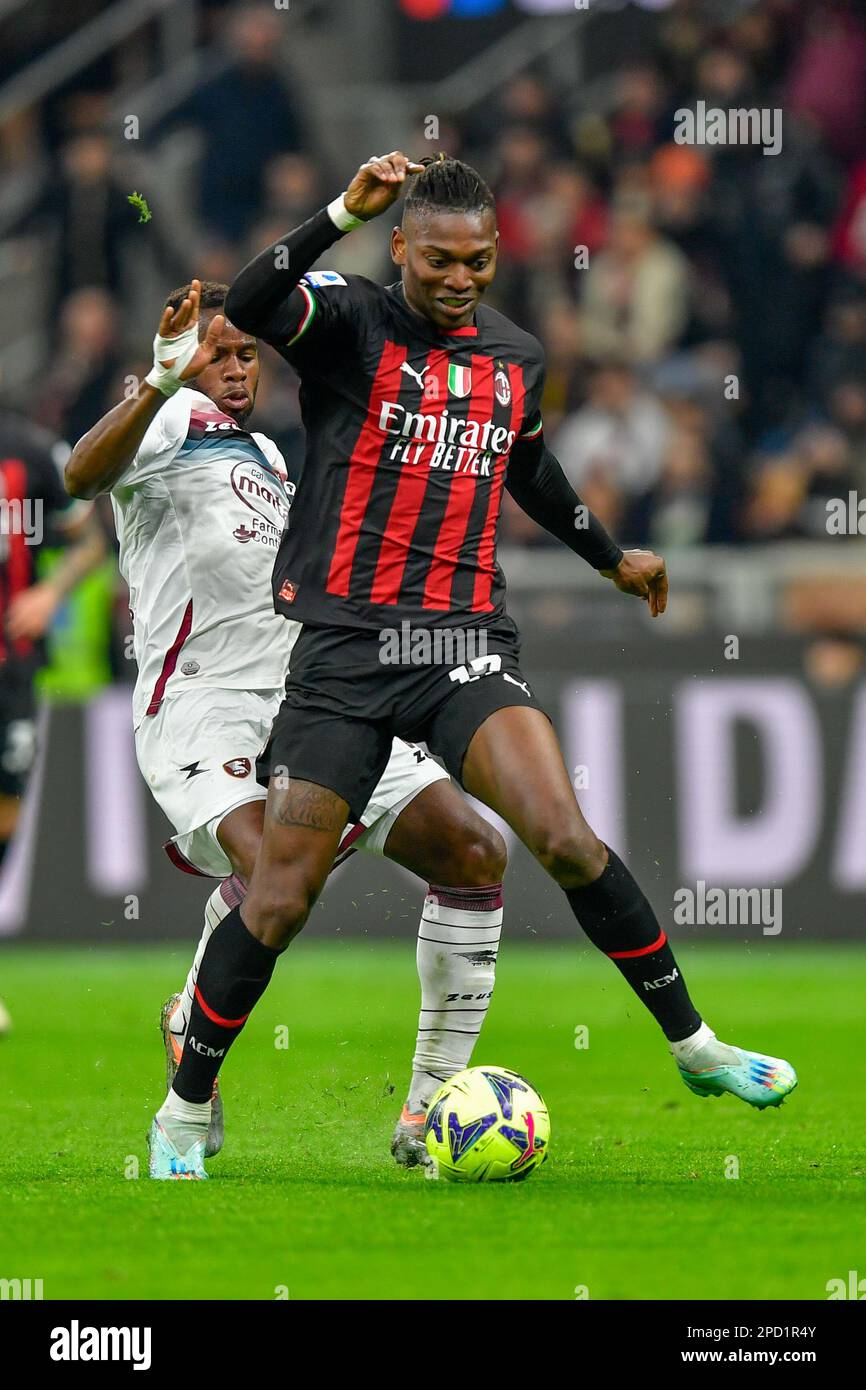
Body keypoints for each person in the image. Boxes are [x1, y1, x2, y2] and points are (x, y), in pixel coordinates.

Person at [162, 152, 797, 1163]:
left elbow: (529, 463)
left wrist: (609, 555)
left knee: (564, 839)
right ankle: (185, 1110)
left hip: (460, 640)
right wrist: (340, 211)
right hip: (343, 650)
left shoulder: (514, 355)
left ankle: (694, 1043)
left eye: (477, 262)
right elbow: (251, 295)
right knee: (280, 895)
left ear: (497, 254)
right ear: (401, 248)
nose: (459, 280)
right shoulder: (349, 324)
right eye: (439, 261)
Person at [65, 280, 510, 1179]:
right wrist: (157, 379)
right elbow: (80, 477)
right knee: (276, 868)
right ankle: (184, 1102)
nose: (235, 370)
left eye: (246, 354)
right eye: (218, 353)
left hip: (310, 701)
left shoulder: (266, 449)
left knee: (473, 851)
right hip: (202, 708)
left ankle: (431, 1110)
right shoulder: (165, 421)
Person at [0, 410, 106, 1034]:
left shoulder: (29, 450)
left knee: (7, 811)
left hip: (13, 670)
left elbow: (91, 541)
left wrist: (49, 593)